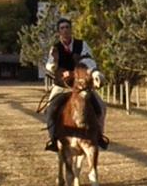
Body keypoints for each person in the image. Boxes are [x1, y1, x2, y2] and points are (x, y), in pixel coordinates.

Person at [43, 18, 108, 152]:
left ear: (71, 29)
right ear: (58, 32)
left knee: (101, 106)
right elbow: (49, 65)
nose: (65, 30)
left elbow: (89, 60)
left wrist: (94, 72)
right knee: (50, 110)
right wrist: (54, 65)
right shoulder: (55, 48)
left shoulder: (81, 44)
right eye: (62, 28)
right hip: (62, 86)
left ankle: (99, 136)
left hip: (81, 85)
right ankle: (53, 139)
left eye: (67, 27)